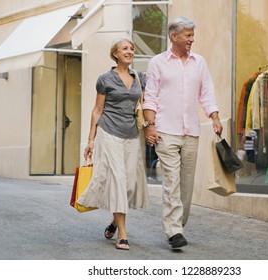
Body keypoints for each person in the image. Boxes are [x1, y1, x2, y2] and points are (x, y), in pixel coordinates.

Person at [143, 17, 223, 249]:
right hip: (166, 131)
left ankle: (178, 222)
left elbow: (206, 92)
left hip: (191, 132)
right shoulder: (158, 62)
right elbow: (151, 96)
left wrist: (215, 117)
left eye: (192, 35)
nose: (192, 39)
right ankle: (173, 230)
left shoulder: (199, 62)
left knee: (186, 185)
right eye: (188, 35)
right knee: (172, 182)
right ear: (174, 36)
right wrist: (150, 125)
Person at [77, 37, 149, 250]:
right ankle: (123, 234)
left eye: (132, 48)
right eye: (125, 48)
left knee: (128, 184)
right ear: (115, 54)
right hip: (109, 133)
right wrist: (91, 140)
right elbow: (97, 110)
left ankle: (114, 222)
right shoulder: (105, 79)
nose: (130, 51)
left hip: (131, 134)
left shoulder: (139, 78)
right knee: (117, 179)